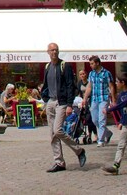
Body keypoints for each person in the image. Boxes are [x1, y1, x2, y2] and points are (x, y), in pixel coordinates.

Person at [42, 43, 86, 172]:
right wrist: (45, 98)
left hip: (61, 102)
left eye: (56, 50)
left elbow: (70, 86)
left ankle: (79, 151)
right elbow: (45, 84)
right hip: (51, 101)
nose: (54, 52)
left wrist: (69, 105)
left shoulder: (65, 66)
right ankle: (59, 162)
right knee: (52, 134)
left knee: (58, 130)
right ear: (48, 52)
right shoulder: (47, 66)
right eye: (52, 50)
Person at [83, 55, 116, 147]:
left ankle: (101, 140)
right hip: (94, 99)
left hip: (103, 98)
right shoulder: (91, 74)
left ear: (97, 63)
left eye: (92, 63)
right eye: (90, 64)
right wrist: (85, 98)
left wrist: (113, 100)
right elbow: (89, 87)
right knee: (94, 119)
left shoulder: (106, 73)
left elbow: (111, 86)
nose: (90, 65)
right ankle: (108, 133)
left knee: (102, 119)